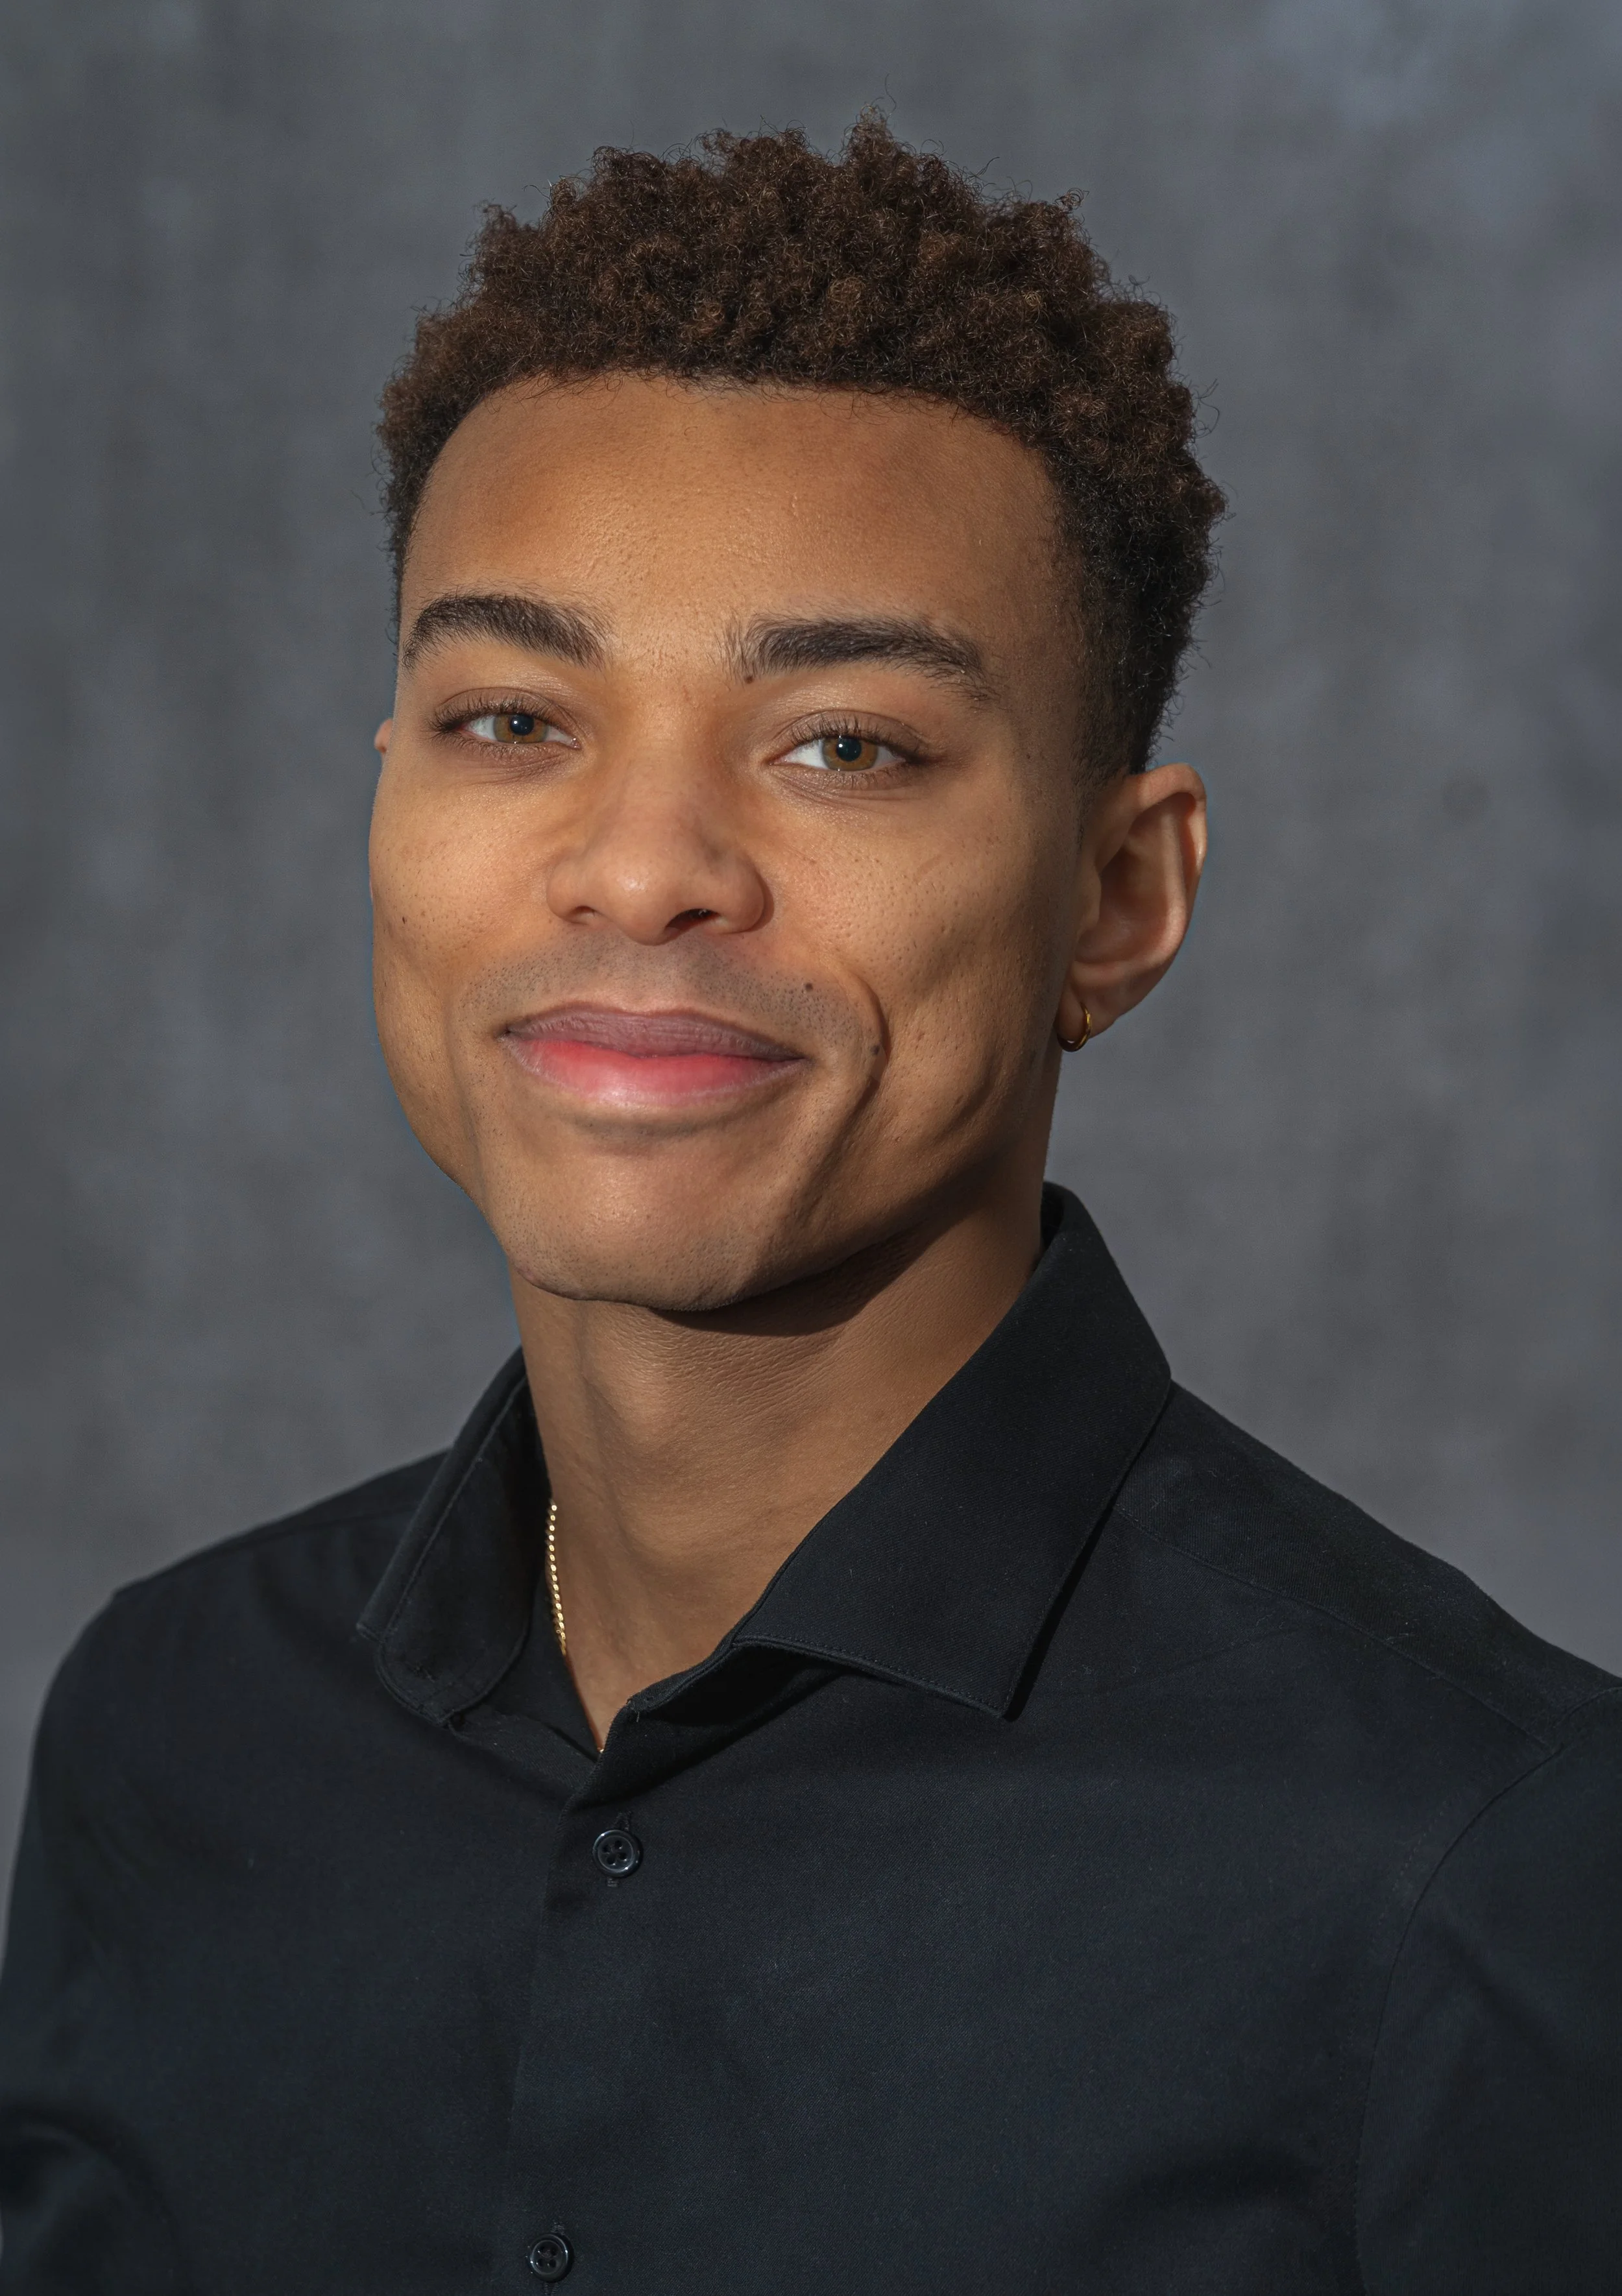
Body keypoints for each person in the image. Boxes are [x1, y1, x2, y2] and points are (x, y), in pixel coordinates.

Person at [1, 116, 1616, 2296]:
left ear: (1116, 897)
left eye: (842, 745)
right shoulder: (172, 1727)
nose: (641, 866)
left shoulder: (1487, 1859)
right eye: (511, 718)